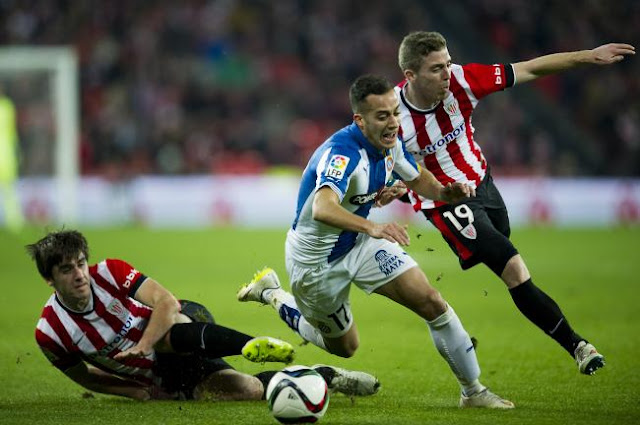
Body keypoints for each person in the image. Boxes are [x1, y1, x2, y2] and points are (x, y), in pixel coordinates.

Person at [238, 74, 514, 409]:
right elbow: (323, 208)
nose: (394, 122)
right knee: (344, 347)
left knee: (431, 301)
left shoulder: (390, 142)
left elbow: (416, 176)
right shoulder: (341, 154)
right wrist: (374, 227)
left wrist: (444, 192)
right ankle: (272, 293)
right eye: (382, 116)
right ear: (360, 120)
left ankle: (473, 392)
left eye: (395, 113)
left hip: (358, 242)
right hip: (316, 264)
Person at [383, 31, 635, 375]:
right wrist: (393, 185)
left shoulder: (464, 79)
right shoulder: (392, 115)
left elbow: (530, 69)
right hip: (444, 202)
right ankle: (578, 346)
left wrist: (587, 55)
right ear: (411, 76)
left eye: (448, 63)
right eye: (437, 69)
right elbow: (385, 162)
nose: (447, 73)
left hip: (483, 183)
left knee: (507, 252)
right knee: (514, 269)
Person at [28, 229, 379, 401]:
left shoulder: (110, 272)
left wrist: (143, 345)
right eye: (66, 270)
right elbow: (85, 377)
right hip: (163, 373)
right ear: (49, 279)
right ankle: (323, 376)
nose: (79, 274)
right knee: (249, 389)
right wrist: (135, 391)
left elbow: (167, 302)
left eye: (80, 264)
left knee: (170, 333)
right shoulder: (51, 333)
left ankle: (250, 344)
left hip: (184, 323)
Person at [0, 85, 25, 232]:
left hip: (6, 152)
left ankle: (14, 220)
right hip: (7, 152)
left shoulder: (8, 106)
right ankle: (14, 222)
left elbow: (11, 131)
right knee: (10, 189)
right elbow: (12, 131)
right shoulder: (8, 106)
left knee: (9, 189)